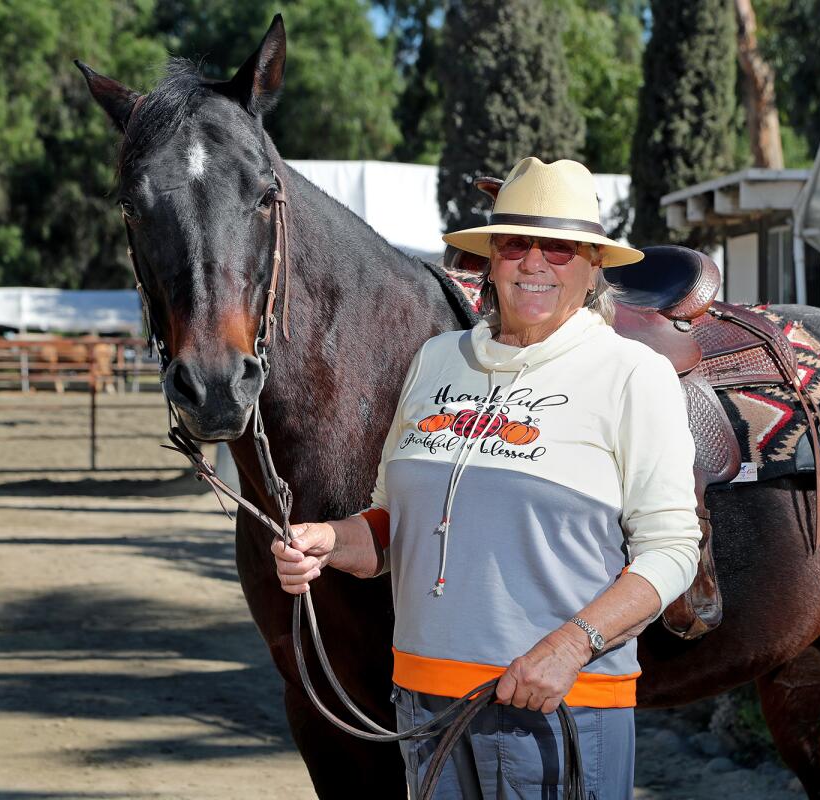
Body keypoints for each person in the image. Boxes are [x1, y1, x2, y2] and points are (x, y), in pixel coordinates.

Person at [272, 157, 702, 799]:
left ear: (592, 265)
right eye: (515, 243)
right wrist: (332, 541)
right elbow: (393, 525)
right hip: (424, 705)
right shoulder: (438, 360)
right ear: (491, 259)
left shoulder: (631, 375)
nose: (534, 262)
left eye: (558, 247)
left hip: (557, 707)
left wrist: (569, 648)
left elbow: (672, 551)